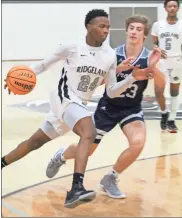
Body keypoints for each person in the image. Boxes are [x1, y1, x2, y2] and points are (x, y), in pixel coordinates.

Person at [2, 9, 152, 208]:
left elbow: (113, 91)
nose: (106, 30)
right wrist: (15, 77)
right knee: (88, 132)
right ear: (88, 27)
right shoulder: (72, 46)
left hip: (77, 106)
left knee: (34, 142)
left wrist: (133, 77)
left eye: (107, 27)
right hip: (64, 98)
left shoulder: (109, 56)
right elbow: (42, 65)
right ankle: (76, 188)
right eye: (101, 26)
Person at [45, 15, 166, 199]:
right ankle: (61, 156)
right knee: (87, 150)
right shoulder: (111, 54)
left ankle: (110, 178)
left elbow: (161, 84)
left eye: (139, 29)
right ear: (126, 31)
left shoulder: (151, 56)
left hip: (131, 108)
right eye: (131, 28)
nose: (134, 31)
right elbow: (99, 82)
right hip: (108, 107)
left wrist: (153, 67)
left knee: (138, 142)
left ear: (145, 35)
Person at [151, 0, 182, 133]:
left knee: (174, 91)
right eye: (170, 6)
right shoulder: (158, 25)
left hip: (177, 60)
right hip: (161, 61)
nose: (172, 8)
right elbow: (155, 43)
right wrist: (157, 49)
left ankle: (172, 120)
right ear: (165, 8)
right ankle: (164, 112)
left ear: (178, 8)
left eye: (175, 6)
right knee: (158, 91)